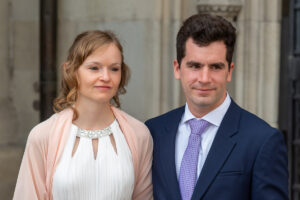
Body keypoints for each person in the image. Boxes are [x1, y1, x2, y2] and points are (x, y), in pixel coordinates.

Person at [145, 14, 288, 200]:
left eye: (215, 67)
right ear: (177, 68)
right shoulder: (153, 132)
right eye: (195, 66)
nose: (204, 78)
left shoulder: (262, 140)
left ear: (229, 71)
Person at [13, 30, 153, 200]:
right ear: (71, 70)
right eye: (94, 68)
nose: (106, 77)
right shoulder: (43, 135)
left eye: (114, 69)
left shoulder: (139, 134)